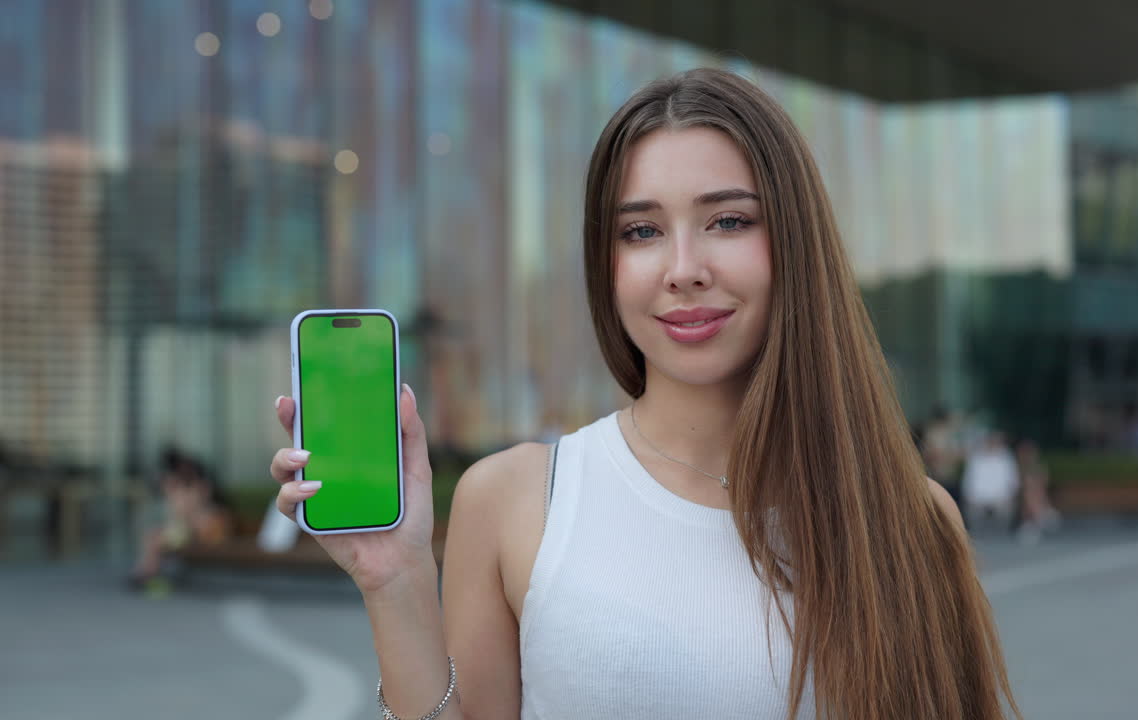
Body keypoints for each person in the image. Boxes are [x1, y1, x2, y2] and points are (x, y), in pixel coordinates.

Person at [268, 68, 1021, 720]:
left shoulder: (911, 520)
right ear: (607, 263)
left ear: (795, 242)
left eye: (728, 220)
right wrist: (395, 585)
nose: (682, 267)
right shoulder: (517, 500)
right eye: (640, 232)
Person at [129, 447, 232, 590]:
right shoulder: (184, 488)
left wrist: (175, 494)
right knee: (153, 536)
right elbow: (181, 518)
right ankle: (146, 572)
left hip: (202, 532)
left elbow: (188, 516)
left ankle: (146, 573)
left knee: (156, 538)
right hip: (190, 531)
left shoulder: (200, 487)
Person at [961, 431, 1020, 538]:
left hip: (1001, 499)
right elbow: (968, 482)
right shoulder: (976, 458)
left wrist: (1007, 497)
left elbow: (1013, 482)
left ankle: (1002, 536)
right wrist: (971, 497)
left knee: (1006, 509)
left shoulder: (1006, 458)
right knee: (973, 511)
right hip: (979, 499)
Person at [1014, 438, 1061, 544]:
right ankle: (1037, 518)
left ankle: (1036, 518)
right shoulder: (1014, 467)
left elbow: (1043, 485)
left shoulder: (1039, 467)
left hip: (1037, 501)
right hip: (1019, 499)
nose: (1026, 455)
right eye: (1024, 452)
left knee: (1033, 492)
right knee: (1029, 493)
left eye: (1029, 452)